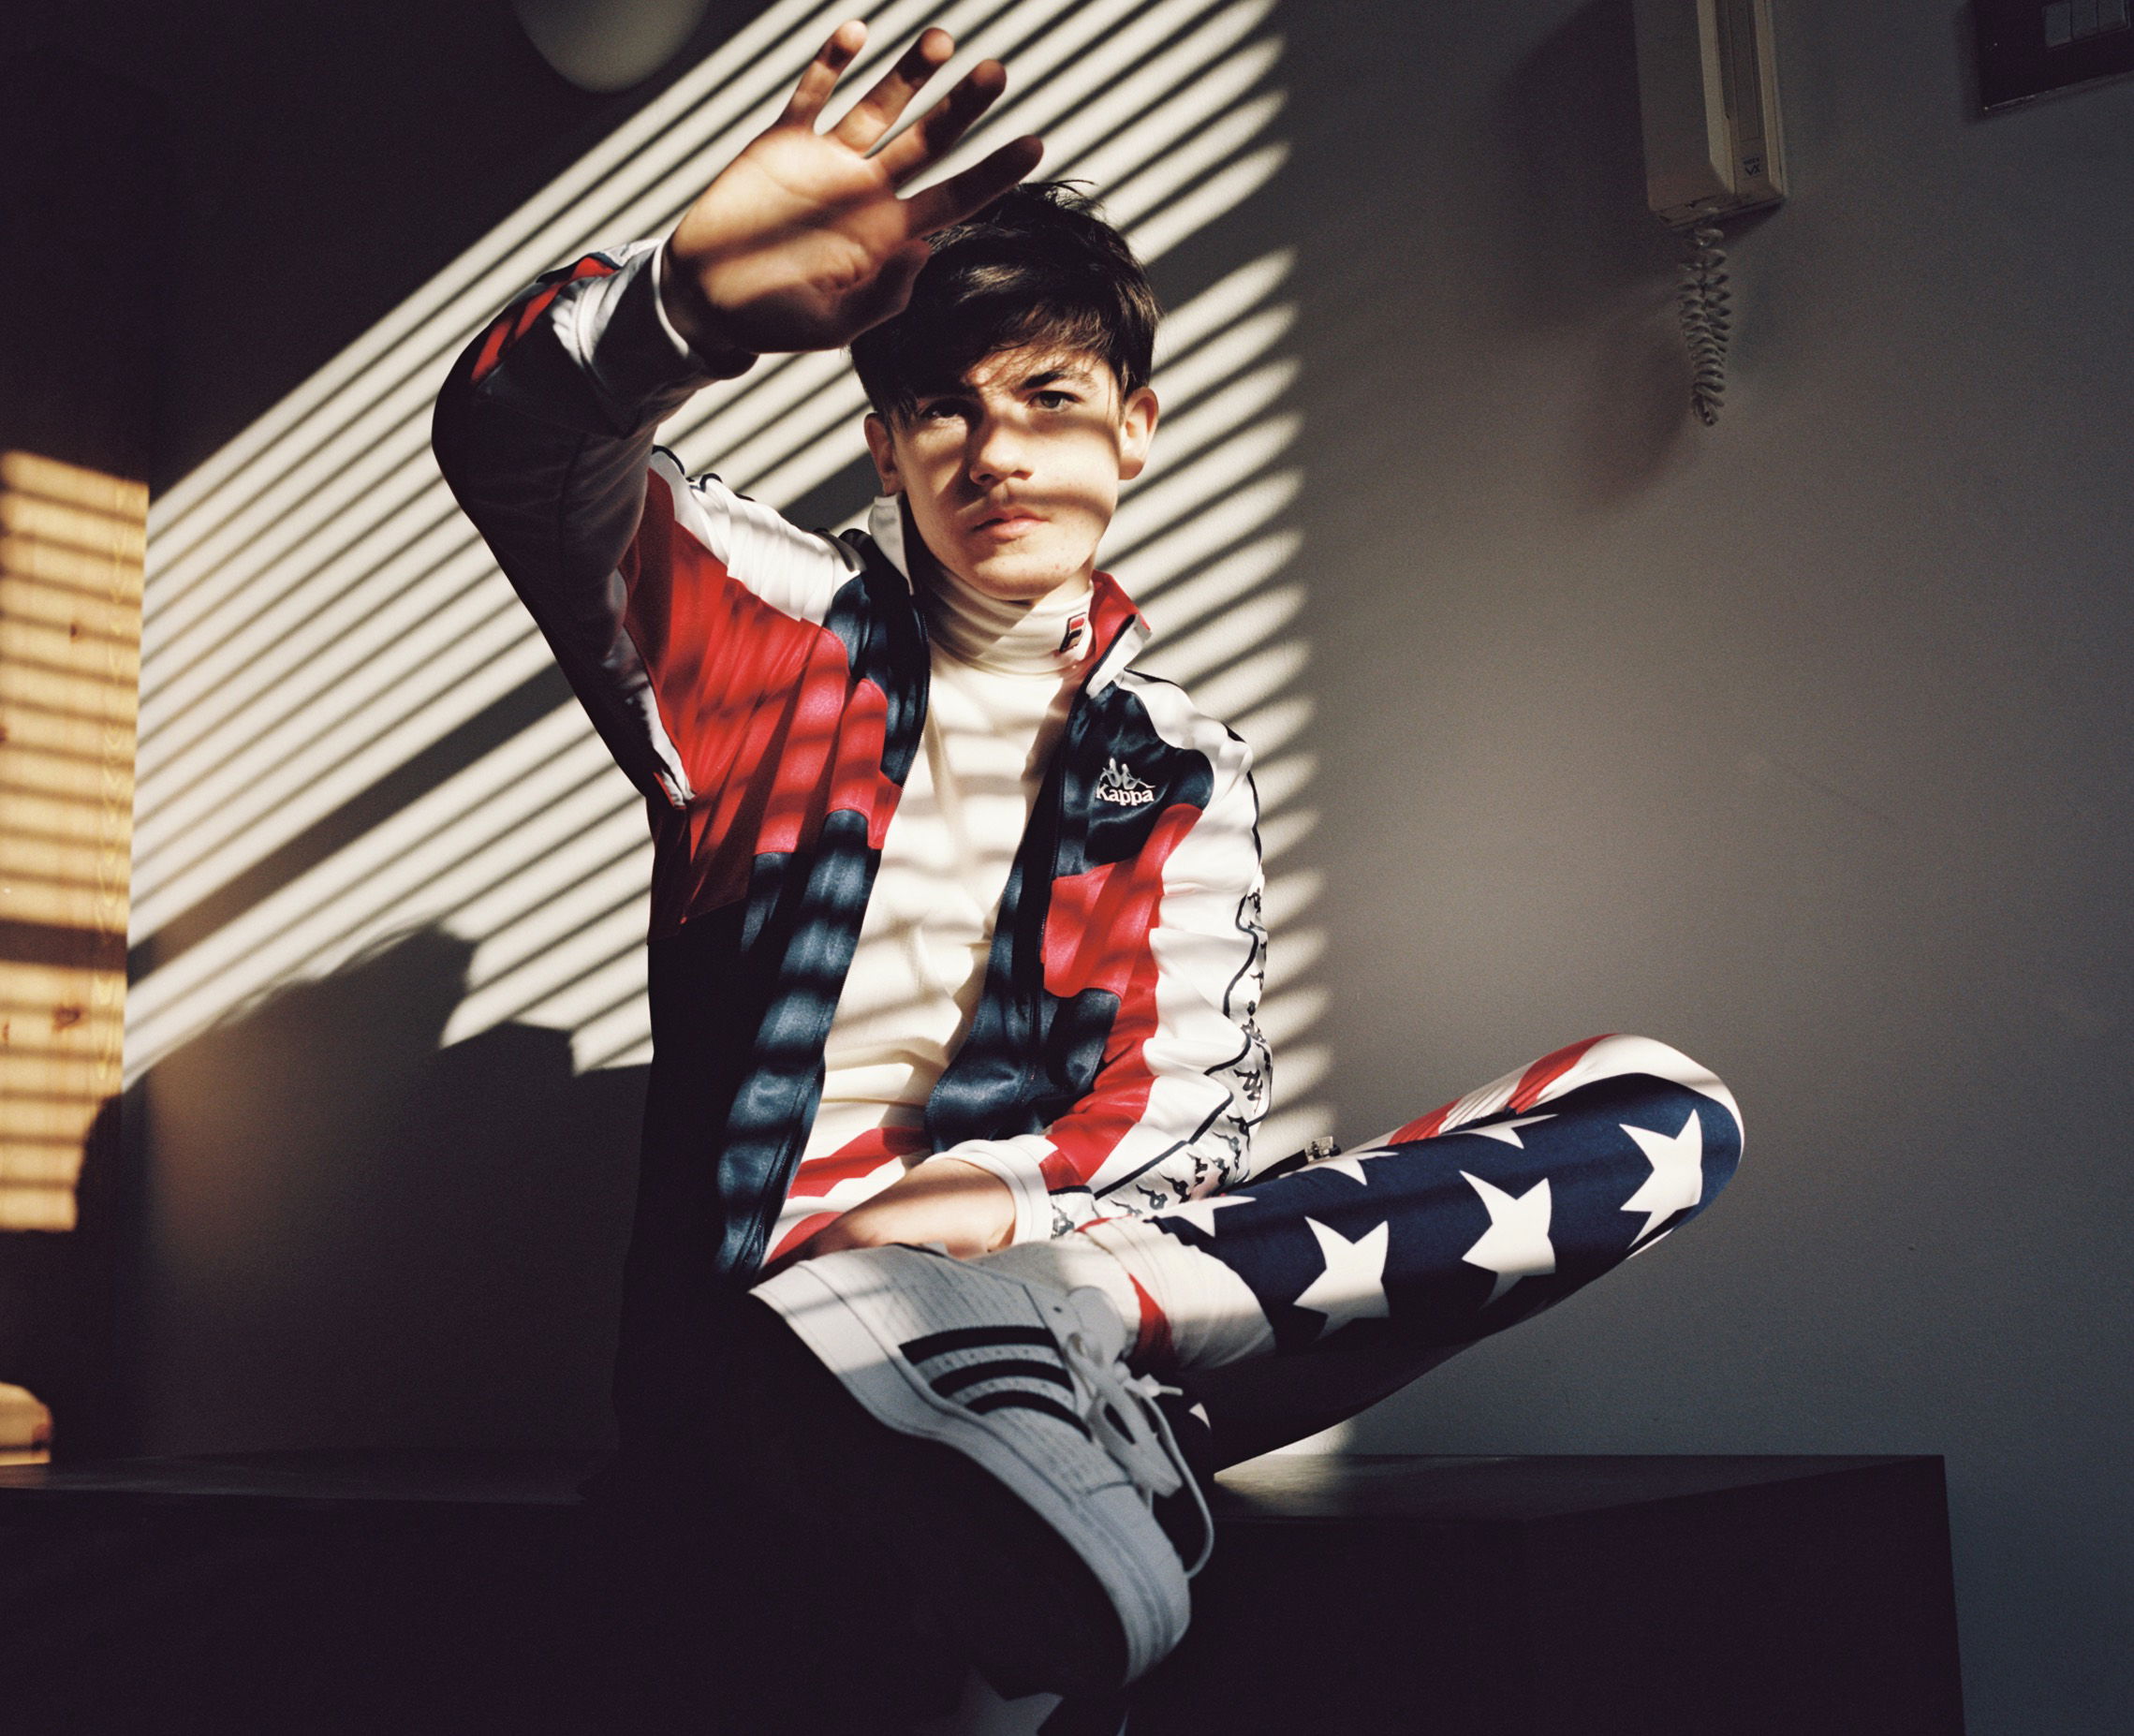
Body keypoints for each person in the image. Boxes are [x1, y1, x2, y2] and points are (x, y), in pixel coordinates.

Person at [434, 19, 1744, 1722]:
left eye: (1049, 399)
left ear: (1134, 432)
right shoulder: (766, 634)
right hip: (765, 1370)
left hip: (1060, 1294)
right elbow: (515, 447)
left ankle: (1027, 1390)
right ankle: (982, 1444)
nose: (996, 452)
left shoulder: (1176, 765)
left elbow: (1180, 1114)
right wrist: (680, 300)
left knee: (1662, 1110)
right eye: (942, 409)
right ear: (886, 445)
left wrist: (986, 1220)